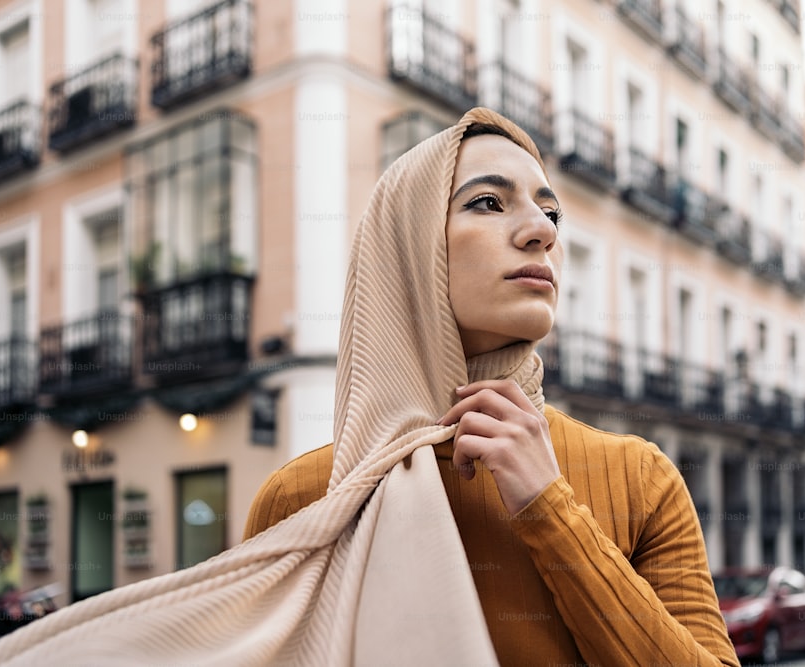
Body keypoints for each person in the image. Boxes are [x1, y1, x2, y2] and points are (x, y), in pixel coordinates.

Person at [244, 107, 740, 667]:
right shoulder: (302, 498)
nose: (544, 231)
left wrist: (549, 506)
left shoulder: (639, 478)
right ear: (408, 245)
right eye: (488, 202)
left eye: (551, 212)